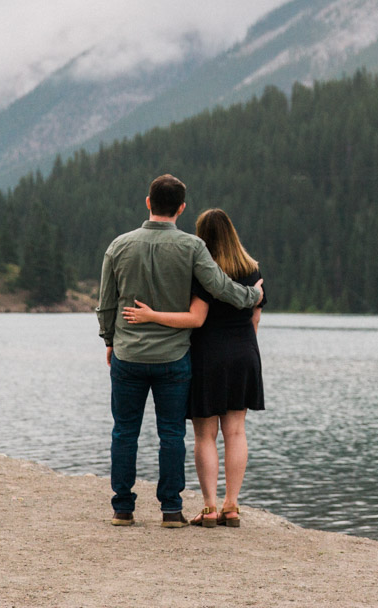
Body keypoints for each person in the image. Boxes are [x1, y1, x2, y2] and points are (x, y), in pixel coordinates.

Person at [97, 175, 262, 528]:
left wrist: (109, 341)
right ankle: (170, 509)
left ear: (147, 202)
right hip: (173, 358)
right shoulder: (191, 247)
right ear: (182, 208)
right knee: (171, 434)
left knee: (124, 431)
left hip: (128, 355)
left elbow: (106, 304)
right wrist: (253, 297)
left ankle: (122, 509)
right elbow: (220, 286)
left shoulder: (118, 246)